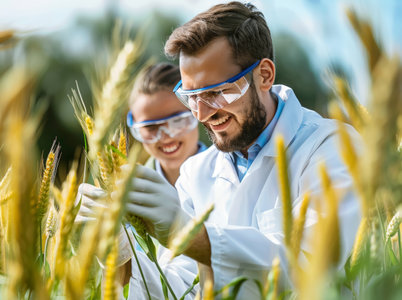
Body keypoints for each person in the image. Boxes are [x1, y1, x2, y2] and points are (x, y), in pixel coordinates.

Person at [124, 1, 362, 298]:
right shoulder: (196, 173)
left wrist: (193, 236)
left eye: (217, 92)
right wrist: (122, 259)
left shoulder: (332, 146)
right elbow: (181, 289)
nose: (200, 114)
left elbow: (313, 264)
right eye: (192, 96)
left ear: (264, 75)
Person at [77, 63, 205, 299]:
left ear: (198, 110)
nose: (166, 136)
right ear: (134, 127)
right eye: (150, 128)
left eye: (178, 121)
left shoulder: (227, 178)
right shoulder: (122, 191)